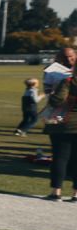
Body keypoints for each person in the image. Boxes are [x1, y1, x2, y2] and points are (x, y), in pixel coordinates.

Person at [42, 71, 77, 201]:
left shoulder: (69, 81)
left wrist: (51, 95)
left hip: (66, 124)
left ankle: (56, 192)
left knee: (60, 158)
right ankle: (75, 194)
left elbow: (57, 100)